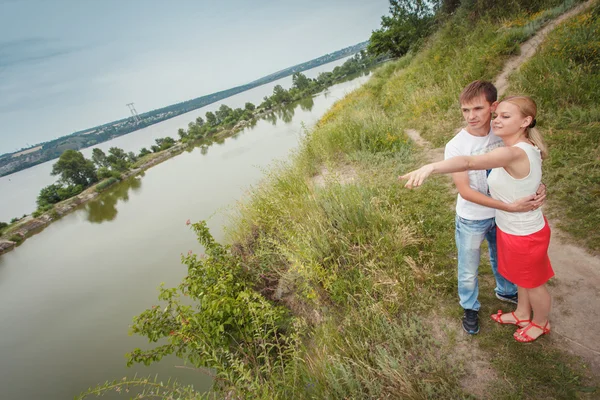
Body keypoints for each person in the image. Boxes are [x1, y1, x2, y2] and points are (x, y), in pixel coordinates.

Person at [400, 95, 553, 343]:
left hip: (525, 231)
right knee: (522, 277)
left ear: (526, 121)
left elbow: (470, 161)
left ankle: (540, 322)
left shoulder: (513, 152)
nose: (497, 121)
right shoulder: (516, 146)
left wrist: (430, 167)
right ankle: (522, 313)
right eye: (497, 116)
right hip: (512, 228)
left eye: (505, 116)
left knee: (533, 282)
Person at [442, 80, 545, 335]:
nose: (471, 116)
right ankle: (470, 306)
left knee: (503, 259)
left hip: (503, 215)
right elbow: (465, 191)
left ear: (493, 106)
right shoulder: (456, 146)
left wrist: (538, 186)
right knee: (468, 267)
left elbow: (524, 163)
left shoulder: (503, 132)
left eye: (478, 109)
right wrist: (508, 206)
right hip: (473, 217)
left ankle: (508, 293)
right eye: (465, 111)